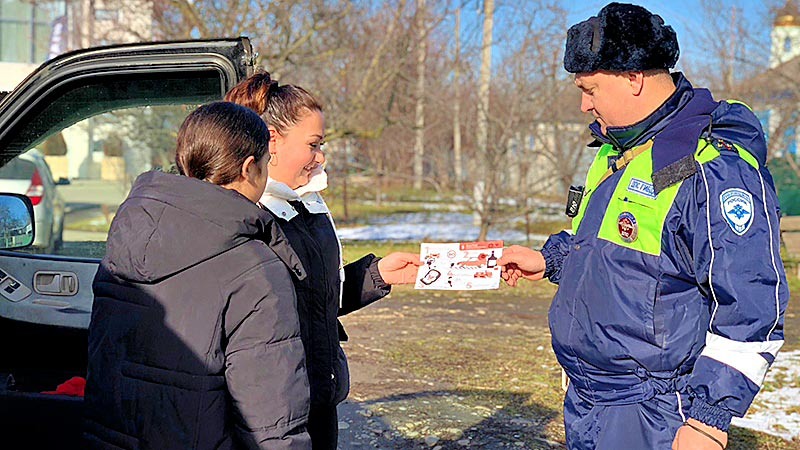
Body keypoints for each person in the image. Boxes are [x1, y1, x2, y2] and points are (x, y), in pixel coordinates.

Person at [498, 3, 789, 449]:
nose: (583, 104)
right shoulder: (617, 151)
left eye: (590, 89)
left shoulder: (711, 169)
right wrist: (550, 259)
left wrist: (707, 420)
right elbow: (614, 247)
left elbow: (751, 305)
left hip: (655, 414)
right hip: (589, 399)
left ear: (633, 77)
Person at [84, 102, 311, 450]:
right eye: (266, 164)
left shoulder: (129, 231)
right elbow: (271, 421)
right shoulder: (255, 268)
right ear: (249, 168)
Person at [225, 73, 421, 449]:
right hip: (275, 412)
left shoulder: (307, 204)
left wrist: (377, 274)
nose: (321, 157)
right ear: (272, 141)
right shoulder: (248, 217)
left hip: (318, 395)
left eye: (322, 145)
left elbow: (314, 299)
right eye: (313, 145)